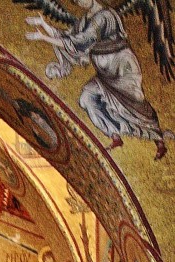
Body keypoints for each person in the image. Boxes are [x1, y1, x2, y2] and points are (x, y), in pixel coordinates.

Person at [25, 0, 169, 159]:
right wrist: (44, 24)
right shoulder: (85, 19)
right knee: (86, 98)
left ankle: (159, 141)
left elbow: (78, 42)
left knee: (135, 102)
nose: (79, 3)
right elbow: (69, 37)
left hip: (121, 65)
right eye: (76, 1)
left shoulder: (104, 16)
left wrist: (43, 38)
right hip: (104, 72)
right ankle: (114, 135)